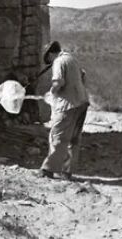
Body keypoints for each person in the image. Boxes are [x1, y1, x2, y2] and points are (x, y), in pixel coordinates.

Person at [38, 41, 89, 180]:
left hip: (67, 105)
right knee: (73, 140)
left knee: (57, 136)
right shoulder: (72, 59)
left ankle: (48, 170)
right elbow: (83, 76)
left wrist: (51, 93)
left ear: (50, 54)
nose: (48, 62)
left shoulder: (59, 61)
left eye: (47, 59)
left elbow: (58, 82)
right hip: (82, 102)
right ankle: (67, 172)